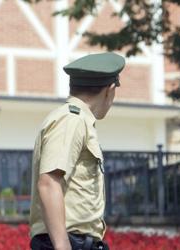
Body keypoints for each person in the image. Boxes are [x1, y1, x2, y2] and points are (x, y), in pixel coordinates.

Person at [29, 52, 123, 250]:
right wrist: (63, 246)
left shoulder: (77, 120)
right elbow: (48, 182)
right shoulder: (72, 119)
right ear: (110, 89)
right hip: (69, 242)